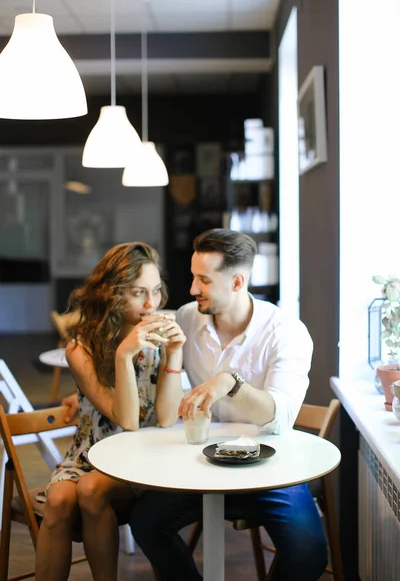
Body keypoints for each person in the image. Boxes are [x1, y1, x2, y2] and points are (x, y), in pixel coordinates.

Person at [129, 229, 327, 581]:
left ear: (237, 281)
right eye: (193, 276)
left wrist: (231, 383)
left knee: (308, 551)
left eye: (203, 280)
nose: (192, 288)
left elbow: (279, 419)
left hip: (270, 467)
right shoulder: (189, 317)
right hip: (199, 465)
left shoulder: (286, 331)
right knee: (145, 522)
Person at [35, 242, 186, 581]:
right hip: (91, 455)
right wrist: (123, 355)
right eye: (138, 293)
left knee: (89, 490)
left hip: (146, 456)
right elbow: (124, 417)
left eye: (156, 291)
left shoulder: (159, 340)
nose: (152, 304)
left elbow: (163, 419)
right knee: (59, 498)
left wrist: (175, 355)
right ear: (112, 294)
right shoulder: (81, 348)